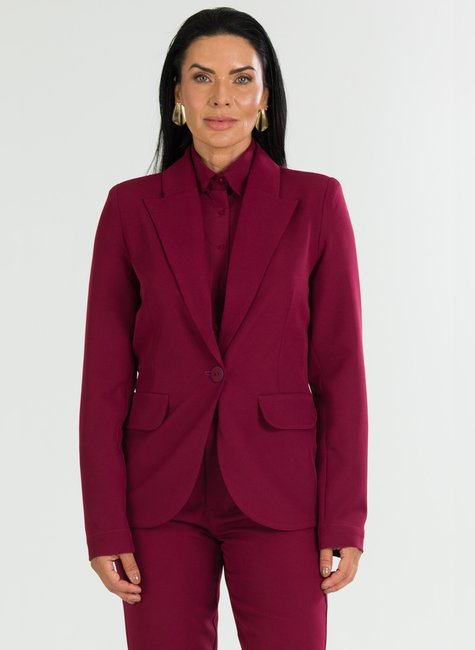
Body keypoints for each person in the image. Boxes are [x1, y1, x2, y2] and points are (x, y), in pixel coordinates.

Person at [79, 7, 368, 649]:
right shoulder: (129, 208)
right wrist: (105, 524)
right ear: (177, 94)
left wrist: (344, 517)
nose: (221, 98)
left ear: (265, 96)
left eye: (241, 79)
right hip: (161, 496)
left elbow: (341, 371)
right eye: (202, 77)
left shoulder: (317, 203)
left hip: (282, 492)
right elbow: (103, 379)